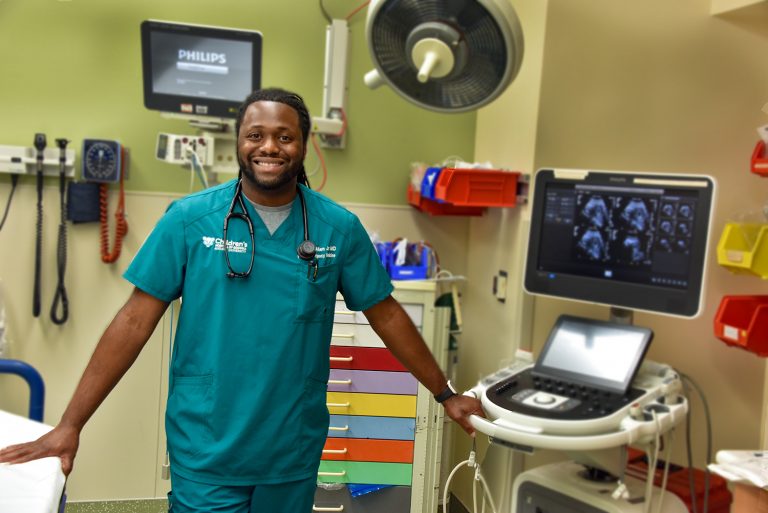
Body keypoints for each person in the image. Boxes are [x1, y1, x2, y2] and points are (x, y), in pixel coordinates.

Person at [0, 88, 484, 512]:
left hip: (290, 447)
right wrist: (70, 424)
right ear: (239, 142)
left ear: (303, 146)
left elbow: (389, 315)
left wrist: (445, 395)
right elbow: (133, 322)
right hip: (207, 444)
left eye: (284, 136)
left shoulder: (338, 229)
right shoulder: (190, 220)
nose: (269, 146)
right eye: (255, 135)